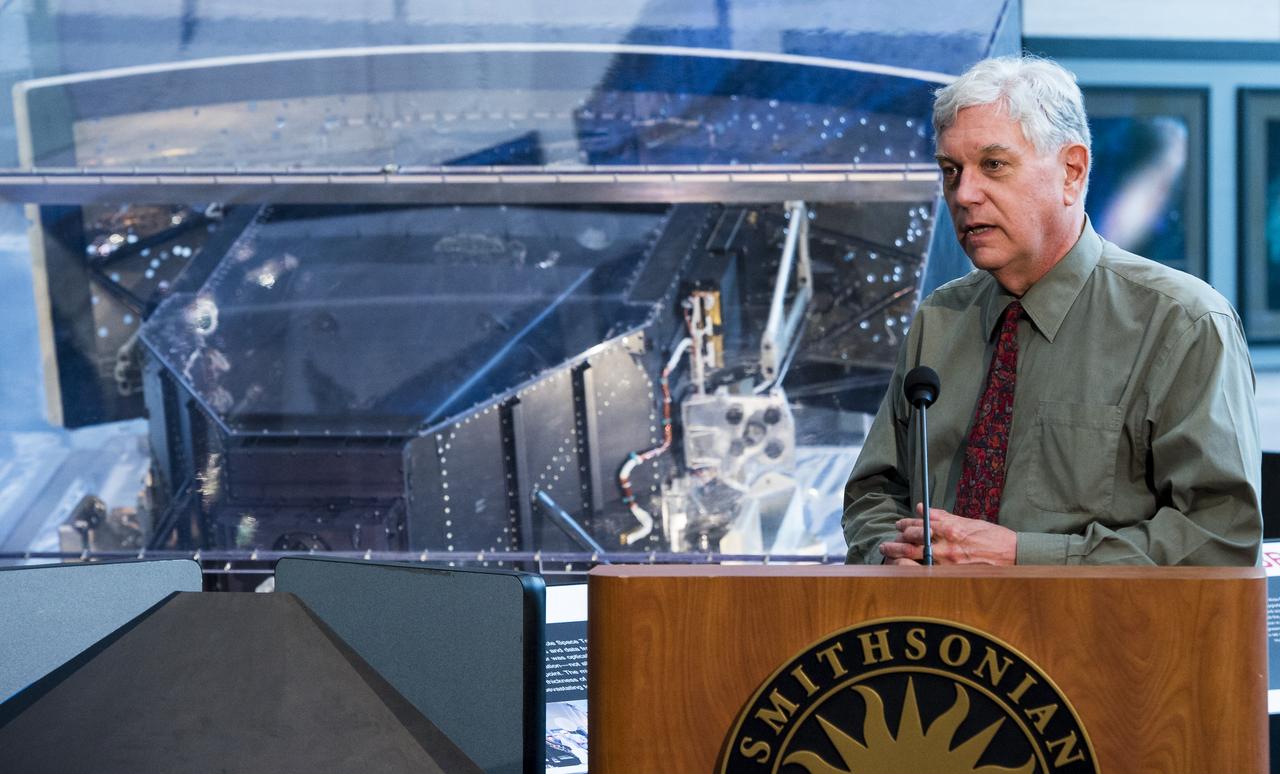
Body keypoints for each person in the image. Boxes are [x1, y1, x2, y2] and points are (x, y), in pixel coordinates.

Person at [843, 55, 1262, 566]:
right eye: (951, 170)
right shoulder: (939, 319)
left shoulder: (1184, 323)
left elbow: (1219, 539)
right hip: (935, 636)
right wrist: (889, 557)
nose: (965, 194)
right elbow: (874, 494)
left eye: (993, 165)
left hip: (1096, 641)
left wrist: (1025, 557)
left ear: (1072, 171)